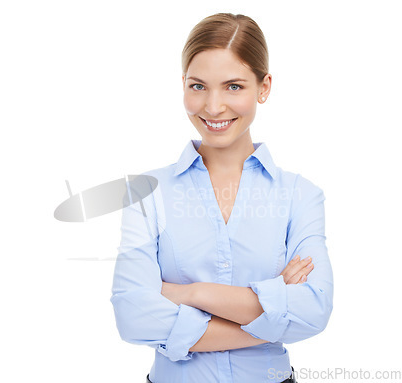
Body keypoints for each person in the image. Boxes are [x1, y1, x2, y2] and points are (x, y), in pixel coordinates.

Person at [110, 12, 333, 383]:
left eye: (234, 86)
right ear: (182, 84)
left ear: (264, 87)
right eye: (198, 86)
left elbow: (314, 311)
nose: (213, 107)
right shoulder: (145, 192)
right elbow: (134, 317)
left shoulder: (300, 195)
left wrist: (189, 293)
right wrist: (269, 313)